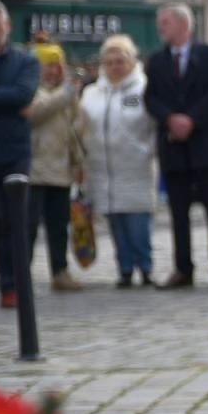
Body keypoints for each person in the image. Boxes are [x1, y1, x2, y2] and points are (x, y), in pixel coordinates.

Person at [144, 2, 208, 288]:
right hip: (174, 148)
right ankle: (183, 268)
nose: (161, 28)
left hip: (207, 146)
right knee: (178, 214)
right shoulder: (156, 61)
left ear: (184, 25)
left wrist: (191, 120)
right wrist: (171, 118)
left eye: (166, 23)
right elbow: (150, 98)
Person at [81, 35, 157, 288]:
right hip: (103, 169)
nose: (115, 66)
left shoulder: (143, 90)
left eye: (120, 61)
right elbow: (82, 127)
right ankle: (124, 269)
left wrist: (148, 150)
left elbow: (153, 125)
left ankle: (145, 267)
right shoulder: (92, 93)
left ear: (132, 61)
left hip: (135, 167)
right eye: (110, 61)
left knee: (137, 224)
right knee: (116, 224)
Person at [0, 0, 39, 309]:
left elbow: (23, 93)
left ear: (7, 26)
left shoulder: (25, 61)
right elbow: (13, 99)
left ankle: (15, 282)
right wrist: (7, 101)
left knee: (17, 220)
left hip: (14, 152)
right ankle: (6, 280)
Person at [25, 42, 86, 292]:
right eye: (47, 65)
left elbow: (75, 131)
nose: (52, 71)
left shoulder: (66, 94)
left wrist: (78, 163)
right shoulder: (29, 89)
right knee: (28, 227)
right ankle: (21, 272)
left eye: (56, 65)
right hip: (34, 170)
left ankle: (59, 272)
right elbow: (34, 113)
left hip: (61, 171)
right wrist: (65, 96)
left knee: (59, 226)